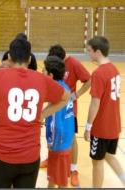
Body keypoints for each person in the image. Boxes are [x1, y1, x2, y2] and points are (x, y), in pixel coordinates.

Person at [0, 37, 70, 188]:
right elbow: (65, 97)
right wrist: (42, 115)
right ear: (29, 57)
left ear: (10, 57)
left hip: (1, 155)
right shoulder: (41, 79)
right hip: (30, 156)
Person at [41, 44, 91, 187]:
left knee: (71, 140)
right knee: (53, 177)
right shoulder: (58, 83)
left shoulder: (73, 63)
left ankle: (73, 169)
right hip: (58, 120)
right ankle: (53, 159)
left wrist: (77, 95)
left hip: (65, 117)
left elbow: (89, 79)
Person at [84, 36, 125, 187]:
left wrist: (88, 127)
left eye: (89, 51)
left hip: (101, 128)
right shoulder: (114, 69)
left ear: (98, 52)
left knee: (97, 162)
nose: (88, 53)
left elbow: (95, 103)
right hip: (114, 124)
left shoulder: (99, 73)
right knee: (109, 156)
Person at [43, 56, 75, 188]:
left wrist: (53, 143)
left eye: (44, 70)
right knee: (52, 178)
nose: (42, 72)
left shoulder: (57, 94)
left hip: (58, 144)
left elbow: (57, 124)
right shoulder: (64, 87)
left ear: (50, 75)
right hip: (65, 142)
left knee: (60, 182)